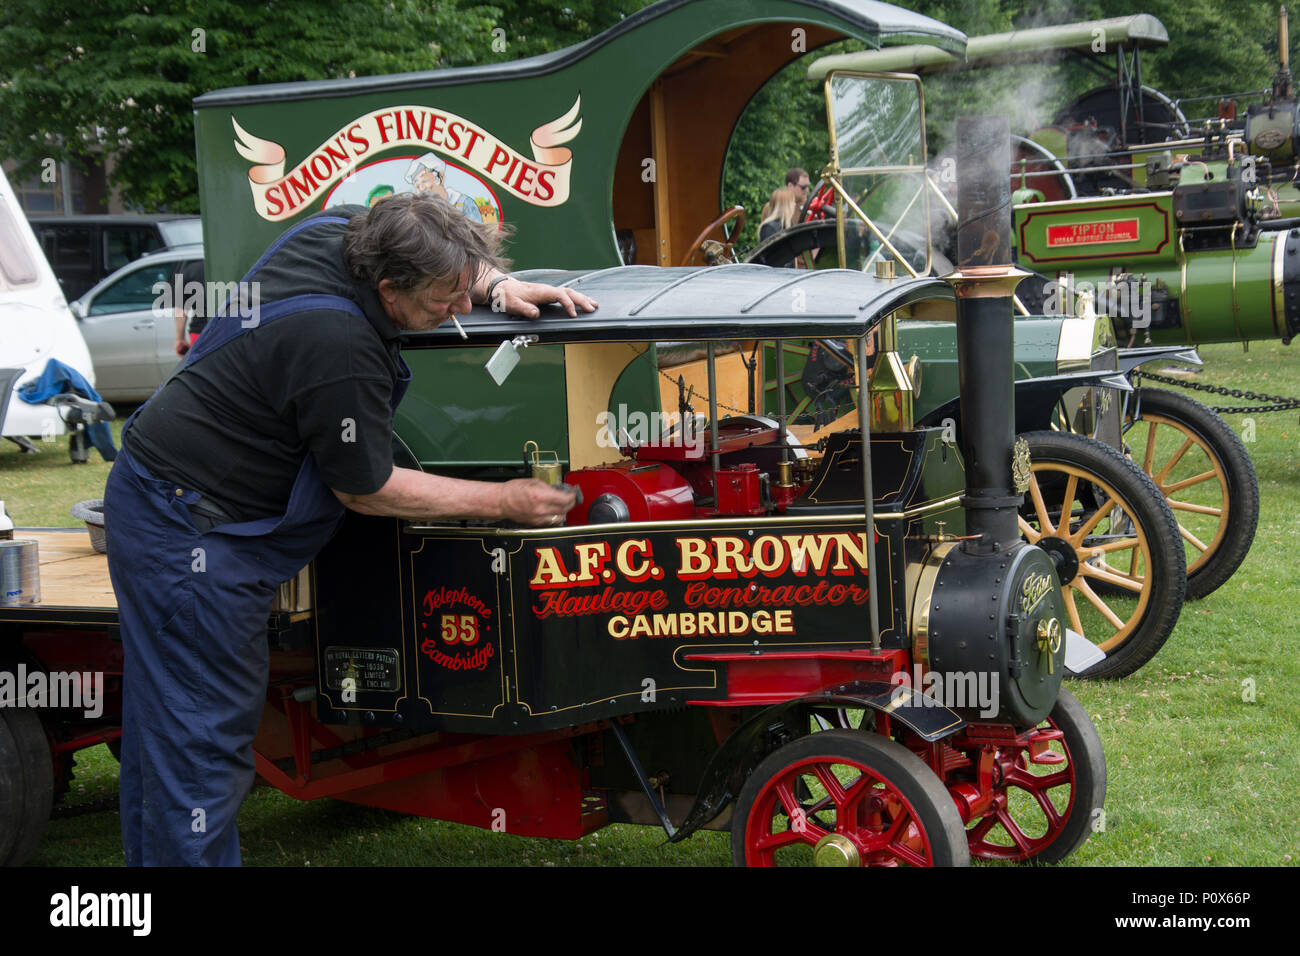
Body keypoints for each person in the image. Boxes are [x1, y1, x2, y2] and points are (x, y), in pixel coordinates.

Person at [104, 193, 595, 866]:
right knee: (201, 740)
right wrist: (504, 501)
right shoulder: (337, 343)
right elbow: (366, 488)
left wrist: (495, 283)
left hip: (171, 494)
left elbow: (443, 252)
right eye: (440, 300)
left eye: (463, 290)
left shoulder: (351, 227)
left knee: (167, 729)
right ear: (388, 286)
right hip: (187, 530)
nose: (456, 311)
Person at [171, 258, 208, 355]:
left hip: (200, 333)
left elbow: (180, 311)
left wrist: (180, 338)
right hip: (231, 334)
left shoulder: (191, 270)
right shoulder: (235, 267)